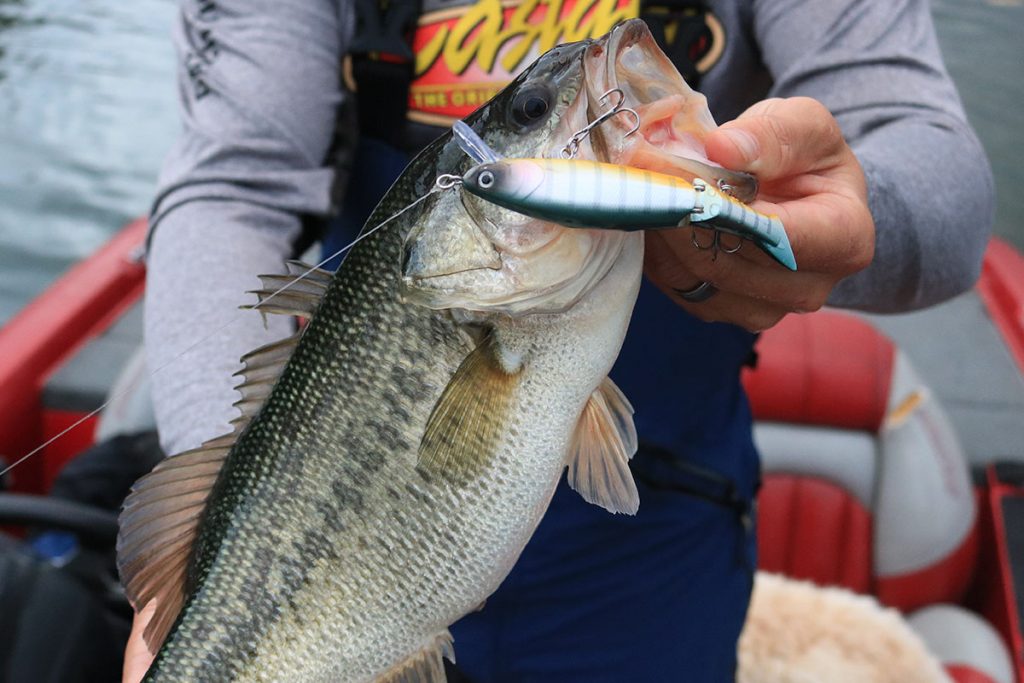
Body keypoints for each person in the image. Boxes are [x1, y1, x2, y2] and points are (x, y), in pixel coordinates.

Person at [128, 0, 994, 680]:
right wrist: (221, 596)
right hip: (339, 563)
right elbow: (233, 185)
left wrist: (856, 213)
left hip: (655, 550)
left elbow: (942, 178)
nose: (591, 84)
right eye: (541, 109)